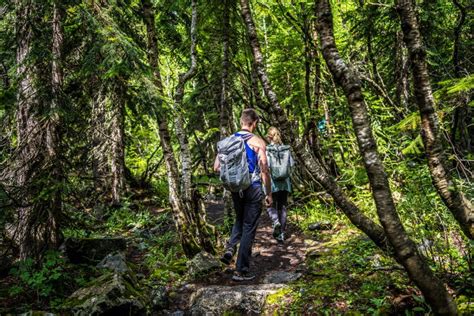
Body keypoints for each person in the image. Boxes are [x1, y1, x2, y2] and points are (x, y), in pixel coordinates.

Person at [214, 108, 272, 281]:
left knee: (239, 219)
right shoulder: (258, 142)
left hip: (235, 188)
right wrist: (268, 193)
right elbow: (264, 169)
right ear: (254, 123)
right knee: (249, 227)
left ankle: (230, 247)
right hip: (253, 187)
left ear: (241, 121)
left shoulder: (227, 142)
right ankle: (241, 270)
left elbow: (216, 167)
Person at [266, 126, 295, 243]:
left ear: (269, 137)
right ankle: (281, 234)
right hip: (285, 182)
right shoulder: (286, 149)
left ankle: (275, 222)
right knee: (282, 206)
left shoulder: (267, 150)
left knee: (270, 205)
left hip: (272, 183)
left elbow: (265, 167)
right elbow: (291, 165)